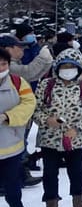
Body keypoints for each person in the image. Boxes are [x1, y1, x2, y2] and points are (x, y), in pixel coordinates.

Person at [34, 50, 82, 207]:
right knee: (49, 173)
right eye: (64, 66)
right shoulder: (45, 85)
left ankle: (79, 200)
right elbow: (35, 109)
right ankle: (51, 205)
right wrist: (47, 120)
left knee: (76, 171)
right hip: (49, 139)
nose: (68, 70)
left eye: (72, 66)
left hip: (75, 139)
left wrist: (78, 129)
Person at [3, 34, 48, 187]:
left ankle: (21, 175)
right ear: (8, 49)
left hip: (17, 115)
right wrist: (43, 59)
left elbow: (33, 76)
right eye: (18, 46)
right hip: (8, 117)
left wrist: (46, 63)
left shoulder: (14, 64)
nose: (22, 49)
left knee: (19, 145)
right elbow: (28, 72)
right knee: (13, 148)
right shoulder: (9, 67)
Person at [0, 46, 36, 207]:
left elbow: (29, 104)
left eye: (4, 64)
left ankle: (15, 203)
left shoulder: (18, 82)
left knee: (12, 183)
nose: (1, 68)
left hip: (11, 145)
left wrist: (8, 117)